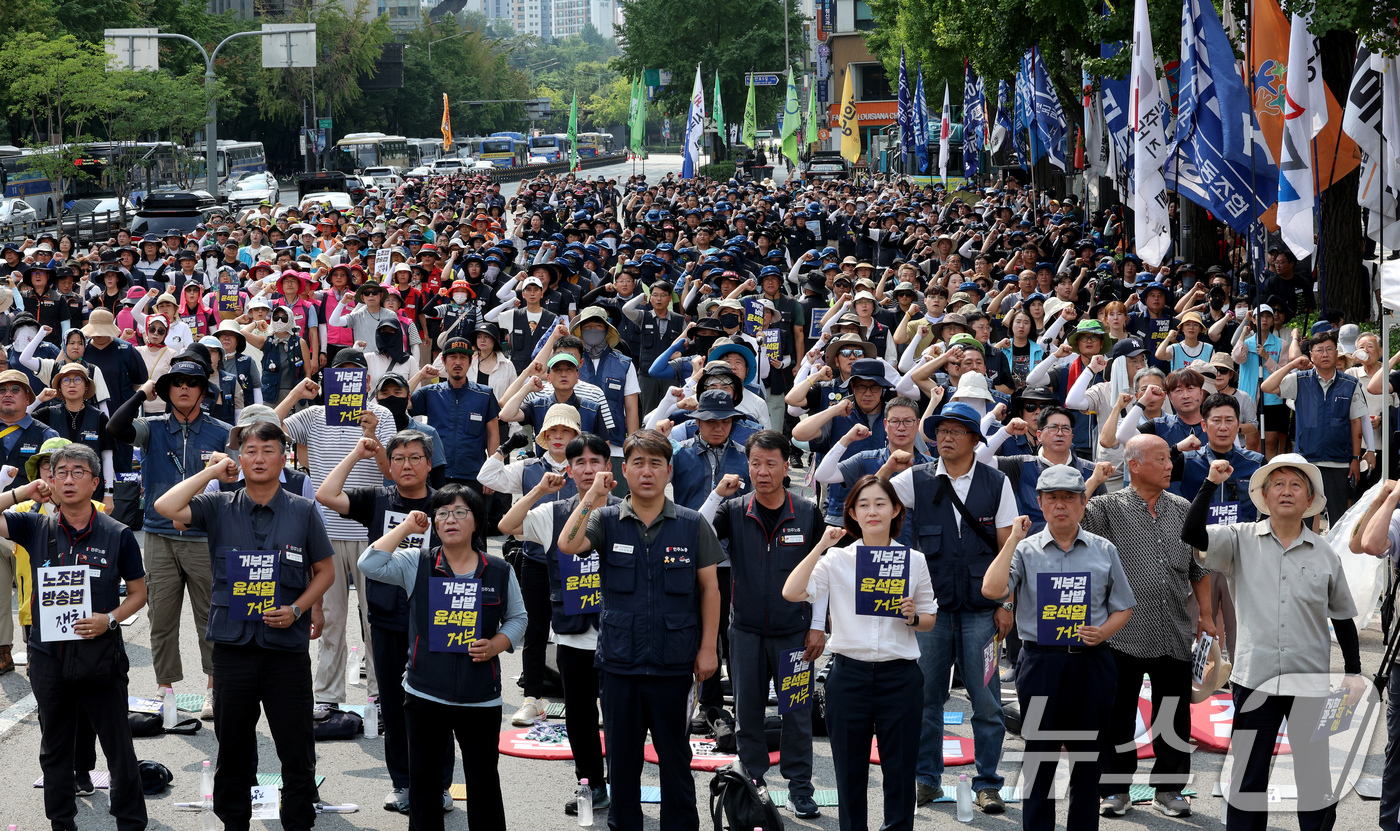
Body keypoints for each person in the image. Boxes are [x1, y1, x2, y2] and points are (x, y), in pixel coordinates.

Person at [152, 420, 336, 831]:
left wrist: (298, 609)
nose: (258, 458)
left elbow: (325, 571)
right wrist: (211, 473)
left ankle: (298, 822)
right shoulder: (218, 505)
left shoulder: (303, 510)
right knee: (233, 748)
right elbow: (165, 507)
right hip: (233, 650)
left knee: (296, 747)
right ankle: (234, 823)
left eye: (268, 450)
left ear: (284, 456)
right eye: (250, 450)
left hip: (285, 649)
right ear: (238, 457)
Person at [1182, 453, 1361, 831]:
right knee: (1249, 777)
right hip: (1255, 679)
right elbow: (1192, 534)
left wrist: (1354, 672)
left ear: (1309, 500)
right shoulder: (1239, 540)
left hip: (1310, 683)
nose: (1286, 491)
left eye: (1296, 484)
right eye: (1277, 483)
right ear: (1264, 495)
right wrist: (1209, 484)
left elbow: (1343, 616)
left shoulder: (1326, 554)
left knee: (1315, 778)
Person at [556, 429, 723, 831]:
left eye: (655, 464)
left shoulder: (691, 523)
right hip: (619, 663)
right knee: (623, 759)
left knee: (675, 758)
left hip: (674, 661)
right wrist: (593, 495)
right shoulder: (605, 518)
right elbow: (568, 544)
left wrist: (708, 649)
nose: (646, 472)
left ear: (669, 472)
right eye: (637, 463)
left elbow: (710, 589)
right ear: (624, 470)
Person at [361, 485, 527, 831]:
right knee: (424, 786)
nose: (450, 520)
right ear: (434, 524)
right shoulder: (416, 562)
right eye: (442, 514)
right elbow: (370, 563)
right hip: (425, 692)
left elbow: (518, 618)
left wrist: (497, 644)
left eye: (460, 512)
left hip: (480, 695)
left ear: (476, 521)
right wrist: (407, 528)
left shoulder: (498, 569)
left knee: (483, 782)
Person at [0, 443, 148, 831]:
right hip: (49, 657)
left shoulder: (117, 534)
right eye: (59, 472)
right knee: (55, 749)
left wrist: (110, 621)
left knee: (118, 748)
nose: (66, 479)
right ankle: (62, 823)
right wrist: (21, 493)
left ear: (95, 482)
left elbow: (139, 592)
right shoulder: (34, 525)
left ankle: (131, 822)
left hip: (101, 656)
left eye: (77, 472)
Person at [981, 465, 1136, 831]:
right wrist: (1011, 541)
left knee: (1088, 758)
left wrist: (1103, 632)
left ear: (1083, 504)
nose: (1061, 505)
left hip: (1093, 661)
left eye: (1069, 498)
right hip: (1041, 664)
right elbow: (991, 589)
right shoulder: (1027, 550)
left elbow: (1124, 606)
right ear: (1040, 503)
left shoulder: (1103, 549)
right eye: (1052, 498)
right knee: (1040, 756)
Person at [880, 400, 1017, 812]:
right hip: (931, 612)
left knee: (988, 701)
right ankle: (925, 778)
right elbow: (871, 501)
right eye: (940, 431)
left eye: (956, 431)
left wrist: (1006, 602)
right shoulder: (916, 479)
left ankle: (988, 782)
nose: (945, 437)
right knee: (926, 698)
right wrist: (888, 468)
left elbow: (1008, 545)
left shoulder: (996, 483)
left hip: (981, 610)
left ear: (976, 439)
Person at [780, 475, 937, 831]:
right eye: (863, 504)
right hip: (848, 676)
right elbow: (792, 592)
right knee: (849, 773)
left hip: (901, 676)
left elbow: (929, 617)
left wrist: (913, 616)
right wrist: (821, 545)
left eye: (880, 503)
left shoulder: (913, 560)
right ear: (851, 511)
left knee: (899, 772)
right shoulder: (837, 560)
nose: (872, 511)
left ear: (896, 509)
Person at [314, 427, 455, 814]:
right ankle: (403, 783)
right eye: (398, 459)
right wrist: (357, 455)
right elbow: (325, 495)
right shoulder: (376, 499)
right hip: (387, 617)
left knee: (438, 706)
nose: (406, 465)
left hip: (436, 620)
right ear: (388, 466)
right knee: (395, 705)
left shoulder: (447, 503)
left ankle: (441, 785)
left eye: (414, 458)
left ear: (429, 464)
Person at [1080, 434, 1213, 817]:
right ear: (1134, 465)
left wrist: (1205, 615)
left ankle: (1169, 789)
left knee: (1173, 712)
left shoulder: (1183, 507)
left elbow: (1198, 568)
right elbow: (1071, 517)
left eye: (1170, 458)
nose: (1170, 465)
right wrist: (1093, 479)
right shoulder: (1107, 507)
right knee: (1117, 713)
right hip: (1122, 631)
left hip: (1173, 626)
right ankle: (1115, 789)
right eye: (1160, 459)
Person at [701, 430, 827, 819]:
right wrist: (716, 495)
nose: (762, 471)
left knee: (797, 714)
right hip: (746, 632)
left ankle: (801, 789)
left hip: (794, 633)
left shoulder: (806, 512)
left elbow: (824, 572)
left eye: (771, 463)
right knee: (748, 712)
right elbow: (695, 534)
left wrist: (818, 625)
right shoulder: (734, 509)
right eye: (755, 463)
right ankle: (752, 782)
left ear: (787, 466)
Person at [498, 431, 617, 817]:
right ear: (568, 468)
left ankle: (622, 784)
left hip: (619, 634)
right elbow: (506, 525)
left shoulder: (625, 509)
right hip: (573, 634)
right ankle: (591, 786)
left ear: (608, 468)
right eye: (578, 462)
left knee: (620, 716)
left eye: (594, 461)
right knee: (580, 718)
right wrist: (537, 492)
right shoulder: (554, 513)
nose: (587, 469)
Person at [274, 350, 396, 716]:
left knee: (376, 620)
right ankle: (328, 696)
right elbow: (262, 430)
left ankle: (380, 695)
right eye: (339, 374)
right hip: (324, 531)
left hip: (370, 529)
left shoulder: (383, 416)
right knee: (329, 619)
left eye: (354, 375)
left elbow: (393, 474)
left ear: (366, 382)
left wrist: (372, 436)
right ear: (330, 381)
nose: (347, 380)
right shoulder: (313, 415)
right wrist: (296, 394)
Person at [107, 359, 229, 716]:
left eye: (193, 383)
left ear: (203, 391)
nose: (185, 388)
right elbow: (115, 427)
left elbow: (234, 483)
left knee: (211, 617)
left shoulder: (221, 431)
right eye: (176, 383)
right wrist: (143, 392)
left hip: (205, 538)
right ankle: (165, 688)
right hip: (159, 537)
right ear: (166, 391)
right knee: (161, 617)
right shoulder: (152, 428)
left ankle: (213, 687)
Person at [478, 403, 580, 726]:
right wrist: (507, 448)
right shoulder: (529, 467)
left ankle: (590, 697)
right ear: (544, 436)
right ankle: (533, 699)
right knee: (535, 631)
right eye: (553, 432)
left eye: (566, 432)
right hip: (535, 560)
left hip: (577, 563)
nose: (559, 438)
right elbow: (486, 476)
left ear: (577, 436)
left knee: (582, 633)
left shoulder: (585, 468)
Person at [1259, 330, 1367, 528]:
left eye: (1329, 349)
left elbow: (1355, 423)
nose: (1325, 354)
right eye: (1319, 350)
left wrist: (1355, 458)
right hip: (1306, 462)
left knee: (1339, 519)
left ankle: (1337, 558)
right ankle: (1302, 557)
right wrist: (1292, 365)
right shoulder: (1300, 380)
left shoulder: (1350, 384)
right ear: (1311, 355)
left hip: (1339, 461)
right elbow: (1267, 386)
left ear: (1337, 353)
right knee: (1303, 517)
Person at [407, 335, 501, 490]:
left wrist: (491, 473)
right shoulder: (431, 392)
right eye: (452, 357)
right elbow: (401, 402)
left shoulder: (485, 395)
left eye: (463, 357)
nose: (458, 362)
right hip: (437, 474)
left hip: (473, 475)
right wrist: (420, 375)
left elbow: (493, 435)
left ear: (471, 362)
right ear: (443, 361)